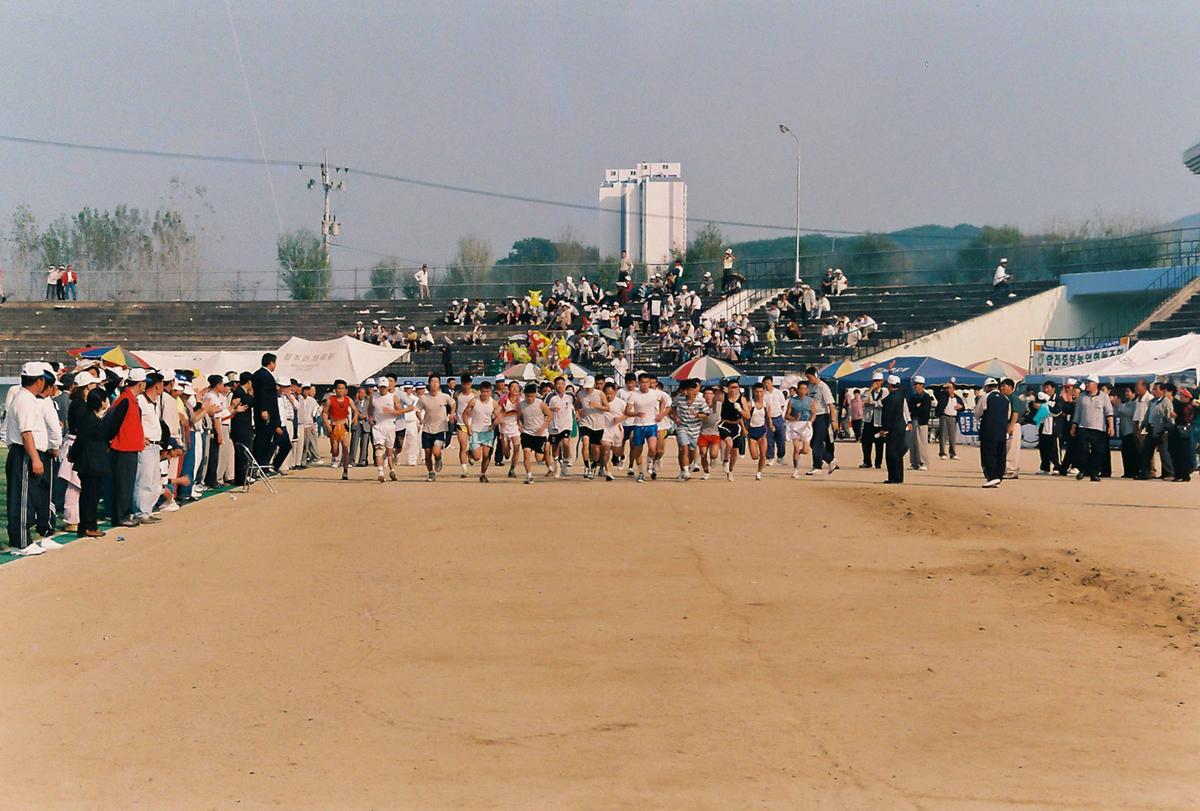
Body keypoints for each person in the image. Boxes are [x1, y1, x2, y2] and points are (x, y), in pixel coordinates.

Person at [4, 363, 52, 555]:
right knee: (22, 498)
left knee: (29, 496)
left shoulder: (28, 399)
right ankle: (21, 542)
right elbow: (26, 434)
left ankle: (24, 539)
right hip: (24, 453)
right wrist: (35, 459)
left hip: (28, 452)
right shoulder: (24, 401)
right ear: (39, 381)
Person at [68, 387, 110, 538]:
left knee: (93, 494)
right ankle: (87, 525)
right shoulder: (88, 420)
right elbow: (81, 441)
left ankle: (89, 524)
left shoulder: (95, 418)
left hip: (95, 462)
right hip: (89, 462)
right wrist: (72, 455)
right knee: (89, 495)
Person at [107, 368, 147, 527]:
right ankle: (120, 516)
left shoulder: (129, 399)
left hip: (129, 446)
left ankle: (123, 514)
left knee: (127, 483)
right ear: (141, 383)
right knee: (123, 483)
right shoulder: (125, 400)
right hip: (123, 447)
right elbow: (114, 423)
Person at [623, 372, 671, 483]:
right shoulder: (634, 395)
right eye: (642, 382)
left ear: (650, 383)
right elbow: (626, 411)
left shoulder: (655, 393)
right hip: (639, 425)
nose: (645, 384)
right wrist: (636, 414)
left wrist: (660, 412)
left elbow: (663, 400)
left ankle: (650, 465)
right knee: (638, 450)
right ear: (639, 383)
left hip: (651, 424)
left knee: (653, 448)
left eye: (647, 382)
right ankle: (640, 472)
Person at [1070, 375, 1114, 482]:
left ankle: (1094, 473)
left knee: (1098, 452)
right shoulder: (1082, 396)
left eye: (1089, 382)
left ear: (1095, 384)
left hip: (1098, 429)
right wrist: (1073, 426)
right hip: (1083, 427)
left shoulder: (1104, 397)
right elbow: (1077, 413)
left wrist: (1111, 426)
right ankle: (1082, 470)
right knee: (1082, 450)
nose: (1087, 385)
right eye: (1086, 383)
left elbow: (1109, 412)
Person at [252, 353, 290, 474]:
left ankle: (262, 466)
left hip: (266, 413)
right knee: (263, 441)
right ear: (271, 363)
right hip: (266, 414)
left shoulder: (259, 374)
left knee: (266, 441)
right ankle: (260, 467)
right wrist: (264, 410)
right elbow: (263, 393)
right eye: (275, 363)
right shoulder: (265, 376)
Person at [416, 374, 454, 481]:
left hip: (440, 429)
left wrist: (452, 414)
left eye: (436, 382)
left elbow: (453, 405)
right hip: (427, 429)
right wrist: (420, 418)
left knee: (436, 451)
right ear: (429, 384)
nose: (434, 384)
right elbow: (417, 410)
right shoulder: (424, 398)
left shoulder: (445, 396)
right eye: (432, 382)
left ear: (439, 384)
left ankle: (438, 459)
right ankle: (431, 472)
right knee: (427, 454)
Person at [670, 378, 709, 481]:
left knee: (691, 453)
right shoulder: (679, 398)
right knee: (684, 448)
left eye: (686, 390)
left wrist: (697, 415)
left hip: (695, 429)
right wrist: (675, 417)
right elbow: (672, 408)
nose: (684, 392)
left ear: (692, 390)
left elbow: (706, 415)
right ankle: (686, 471)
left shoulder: (700, 400)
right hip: (682, 427)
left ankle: (686, 468)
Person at [804, 366, 838, 475]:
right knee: (812, 442)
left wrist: (833, 421)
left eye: (809, 377)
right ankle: (829, 460)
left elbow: (831, 405)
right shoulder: (810, 387)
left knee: (817, 442)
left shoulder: (823, 387)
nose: (809, 380)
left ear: (815, 375)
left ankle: (817, 465)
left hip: (822, 416)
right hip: (812, 417)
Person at [977, 378, 1010, 487]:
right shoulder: (1005, 399)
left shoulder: (985, 397)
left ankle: (992, 477)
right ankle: (999, 477)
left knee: (988, 454)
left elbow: (977, 413)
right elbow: (1008, 415)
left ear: (986, 387)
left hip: (988, 430)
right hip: (1002, 430)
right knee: (1000, 454)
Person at [517, 382, 553, 484]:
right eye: (528, 396)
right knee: (526, 452)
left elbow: (550, 415)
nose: (530, 398)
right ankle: (529, 476)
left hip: (539, 433)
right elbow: (518, 417)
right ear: (524, 395)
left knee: (539, 457)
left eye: (532, 396)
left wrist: (543, 427)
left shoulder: (540, 403)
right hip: (527, 433)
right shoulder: (521, 405)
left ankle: (548, 462)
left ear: (535, 394)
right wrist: (520, 426)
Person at [879, 375, 911, 484]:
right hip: (901, 426)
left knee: (891, 454)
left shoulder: (890, 398)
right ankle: (899, 477)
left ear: (889, 385)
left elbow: (888, 415)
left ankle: (893, 477)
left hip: (892, 428)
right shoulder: (901, 395)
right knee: (898, 454)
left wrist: (884, 429)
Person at [466, 380, 500, 482]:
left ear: (490, 391)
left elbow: (499, 416)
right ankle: (470, 453)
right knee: (477, 457)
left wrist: (493, 425)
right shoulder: (474, 401)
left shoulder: (493, 403)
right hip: (476, 431)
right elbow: (465, 414)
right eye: (483, 391)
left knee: (486, 455)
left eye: (487, 392)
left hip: (488, 432)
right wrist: (468, 426)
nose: (485, 394)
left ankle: (483, 474)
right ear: (480, 391)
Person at [1140, 382, 1175, 480]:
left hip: (1162, 430)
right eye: (1153, 389)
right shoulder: (1152, 402)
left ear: (1163, 391)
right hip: (1151, 429)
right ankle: (1144, 473)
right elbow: (1148, 415)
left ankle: (1169, 473)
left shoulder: (1166, 402)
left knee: (1164, 453)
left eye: (1156, 389)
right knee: (1146, 452)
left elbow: (1169, 417)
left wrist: (1167, 429)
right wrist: (1143, 425)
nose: (1153, 391)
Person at [322, 379, 356, 481]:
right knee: (336, 452)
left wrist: (355, 418)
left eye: (342, 389)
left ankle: (345, 471)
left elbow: (355, 410)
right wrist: (327, 425)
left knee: (345, 448)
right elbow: (324, 413)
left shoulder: (348, 400)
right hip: (333, 425)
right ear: (335, 390)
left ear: (345, 390)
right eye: (338, 389)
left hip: (344, 425)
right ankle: (334, 450)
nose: (340, 391)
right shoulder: (330, 400)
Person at [716, 379, 750, 482]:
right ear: (728, 388)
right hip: (724, 424)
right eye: (732, 387)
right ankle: (725, 461)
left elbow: (747, 415)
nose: (734, 390)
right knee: (729, 444)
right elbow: (714, 397)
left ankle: (730, 470)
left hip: (736, 426)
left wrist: (740, 409)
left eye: (736, 387)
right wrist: (721, 389)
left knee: (735, 450)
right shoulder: (724, 396)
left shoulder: (742, 399)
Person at [574, 376, 607, 479]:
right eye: (586, 387)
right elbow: (576, 404)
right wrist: (578, 412)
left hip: (598, 424)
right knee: (585, 442)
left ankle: (594, 466)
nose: (587, 389)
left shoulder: (600, 394)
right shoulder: (580, 394)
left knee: (596, 450)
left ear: (594, 385)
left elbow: (607, 408)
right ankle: (586, 466)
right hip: (585, 423)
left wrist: (597, 406)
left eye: (589, 387)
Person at [370, 378, 403, 482]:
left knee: (389, 452)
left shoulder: (393, 397)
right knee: (378, 450)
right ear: (378, 387)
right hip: (378, 427)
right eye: (381, 387)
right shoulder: (373, 397)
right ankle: (380, 473)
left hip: (390, 427)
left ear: (388, 387)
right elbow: (370, 408)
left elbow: (399, 412)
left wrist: (391, 411)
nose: (382, 389)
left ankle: (392, 470)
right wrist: (370, 417)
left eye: (384, 387)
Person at [546, 376, 575, 478]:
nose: (560, 386)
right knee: (555, 446)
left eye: (562, 384)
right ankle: (557, 463)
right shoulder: (550, 396)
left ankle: (565, 463)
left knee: (566, 442)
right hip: (554, 425)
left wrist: (579, 413)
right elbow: (543, 408)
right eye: (558, 384)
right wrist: (551, 409)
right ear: (555, 385)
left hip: (566, 424)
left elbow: (578, 403)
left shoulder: (570, 396)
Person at [785, 380, 814, 479]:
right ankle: (795, 469)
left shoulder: (810, 400)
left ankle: (798, 454)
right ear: (797, 389)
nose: (802, 390)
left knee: (805, 450)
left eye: (805, 389)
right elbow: (786, 415)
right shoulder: (792, 401)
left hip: (806, 425)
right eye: (801, 388)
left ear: (807, 390)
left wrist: (810, 422)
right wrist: (794, 418)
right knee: (796, 448)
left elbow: (813, 413)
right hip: (795, 425)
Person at [860, 372, 886, 470]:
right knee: (866, 441)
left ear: (882, 382)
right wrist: (871, 389)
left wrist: (873, 403)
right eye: (874, 381)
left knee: (879, 442)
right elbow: (864, 399)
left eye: (878, 381)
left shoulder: (885, 392)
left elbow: (883, 403)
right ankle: (867, 461)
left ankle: (878, 462)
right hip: (868, 420)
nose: (876, 383)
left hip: (879, 421)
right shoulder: (868, 391)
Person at [1169, 388, 1196, 482]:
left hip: (1183, 433)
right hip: (1177, 432)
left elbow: (1187, 419)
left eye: (1183, 396)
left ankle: (1183, 475)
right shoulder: (1180, 405)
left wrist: (1176, 416)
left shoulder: (1189, 407)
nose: (1181, 397)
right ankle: (1178, 474)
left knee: (1183, 454)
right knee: (1176, 453)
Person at [745, 383, 770, 480]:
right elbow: (744, 417)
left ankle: (759, 472)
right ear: (754, 392)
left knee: (763, 455)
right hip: (751, 431)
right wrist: (744, 428)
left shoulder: (766, 405)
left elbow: (768, 417)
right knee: (755, 456)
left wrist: (771, 425)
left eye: (760, 392)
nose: (759, 394)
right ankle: (759, 458)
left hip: (762, 430)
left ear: (763, 392)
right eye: (757, 392)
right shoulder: (750, 404)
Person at [761, 376, 788, 466]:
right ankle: (770, 457)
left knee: (781, 438)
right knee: (769, 439)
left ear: (772, 382)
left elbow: (782, 405)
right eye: (765, 383)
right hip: (767, 419)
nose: (767, 384)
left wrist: (781, 415)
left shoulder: (778, 393)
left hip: (778, 418)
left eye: (768, 382)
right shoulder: (763, 394)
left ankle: (781, 456)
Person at [907, 375, 933, 471]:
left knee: (922, 443)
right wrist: (917, 408)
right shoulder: (913, 397)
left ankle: (924, 462)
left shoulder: (926, 397)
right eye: (915, 384)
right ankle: (914, 462)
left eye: (918, 384)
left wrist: (917, 408)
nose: (916, 386)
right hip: (913, 420)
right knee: (913, 442)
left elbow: (925, 409)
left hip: (922, 421)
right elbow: (911, 408)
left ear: (922, 385)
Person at [937, 382, 963, 460]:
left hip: (953, 417)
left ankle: (952, 453)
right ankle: (942, 453)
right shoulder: (943, 396)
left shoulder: (957, 398)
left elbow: (963, 407)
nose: (949, 389)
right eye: (948, 388)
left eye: (951, 388)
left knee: (952, 436)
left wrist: (961, 407)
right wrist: (943, 386)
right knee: (943, 435)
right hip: (944, 416)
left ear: (954, 389)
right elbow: (936, 392)